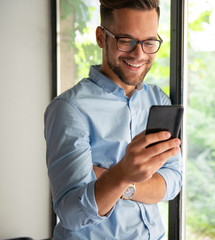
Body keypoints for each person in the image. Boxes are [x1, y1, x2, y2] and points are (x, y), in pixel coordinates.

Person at [44, 0, 183, 239]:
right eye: (126, 40)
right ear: (101, 37)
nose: (139, 54)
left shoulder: (157, 99)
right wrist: (122, 174)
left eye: (149, 42)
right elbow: (71, 214)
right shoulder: (69, 109)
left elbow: (172, 181)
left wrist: (119, 183)